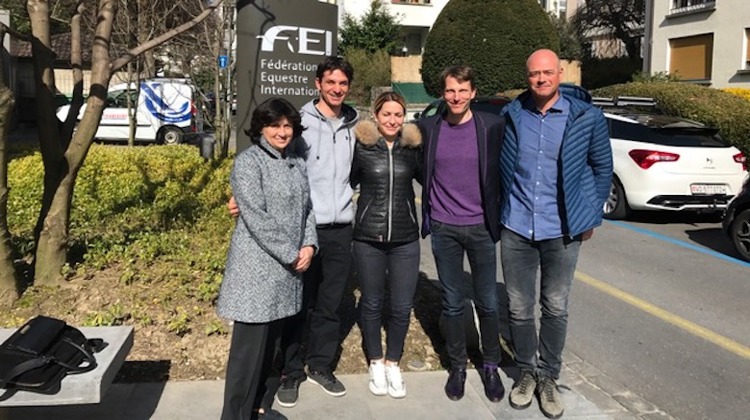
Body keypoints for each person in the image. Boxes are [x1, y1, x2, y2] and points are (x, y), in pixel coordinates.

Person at [228, 56, 359, 406]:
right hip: (303, 230)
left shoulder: (354, 124)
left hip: (339, 227)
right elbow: (271, 162)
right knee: (297, 306)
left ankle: (319, 366)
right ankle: (289, 372)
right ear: (318, 83)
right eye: (330, 82)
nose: (336, 89)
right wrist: (241, 196)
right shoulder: (299, 123)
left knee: (331, 304)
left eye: (343, 83)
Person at [499, 49, 613, 419]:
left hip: (562, 229)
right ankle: (526, 372)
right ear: (527, 76)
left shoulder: (587, 117)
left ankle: (549, 376)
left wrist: (589, 215)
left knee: (555, 306)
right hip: (517, 225)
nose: (541, 79)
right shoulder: (512, 114)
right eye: (535, 74)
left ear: (560, 73)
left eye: (548, 72)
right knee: (518, 307)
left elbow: (602, 168)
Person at [217, 97, 317, 420]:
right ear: (261, 127)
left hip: (286, 276)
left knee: (271, 352)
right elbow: (257, 217)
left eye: (288, 125)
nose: (282, 131)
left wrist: (309, 245)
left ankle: (258, 409)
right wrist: (292, 252)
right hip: (256, 276)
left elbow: (308, 211)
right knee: (247, 359)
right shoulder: (249, 162)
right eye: (275, 125)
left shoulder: (297, 162)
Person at [417, 65, 505, 403]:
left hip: (481, 227)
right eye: (451, 90)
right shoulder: (428, 127)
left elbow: (506, 172)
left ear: (473, 92)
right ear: (443, 92)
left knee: (487, 301)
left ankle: (491, 366)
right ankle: (457, 366)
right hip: (444, 227)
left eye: (462, 90)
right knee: (453, 302)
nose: (456, 96)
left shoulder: (491, 126)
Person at [350, 91, 422, 399]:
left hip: (406, 238)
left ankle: (394, 361)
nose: (392, 120)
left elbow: (435, 178)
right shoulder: (362, 147)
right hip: (368, 237)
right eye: (386, 114)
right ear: (376, 116)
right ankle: (376, 361)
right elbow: (343, 181)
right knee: (372, 301)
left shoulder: (411, 149)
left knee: (402, 305)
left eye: (398, 115)